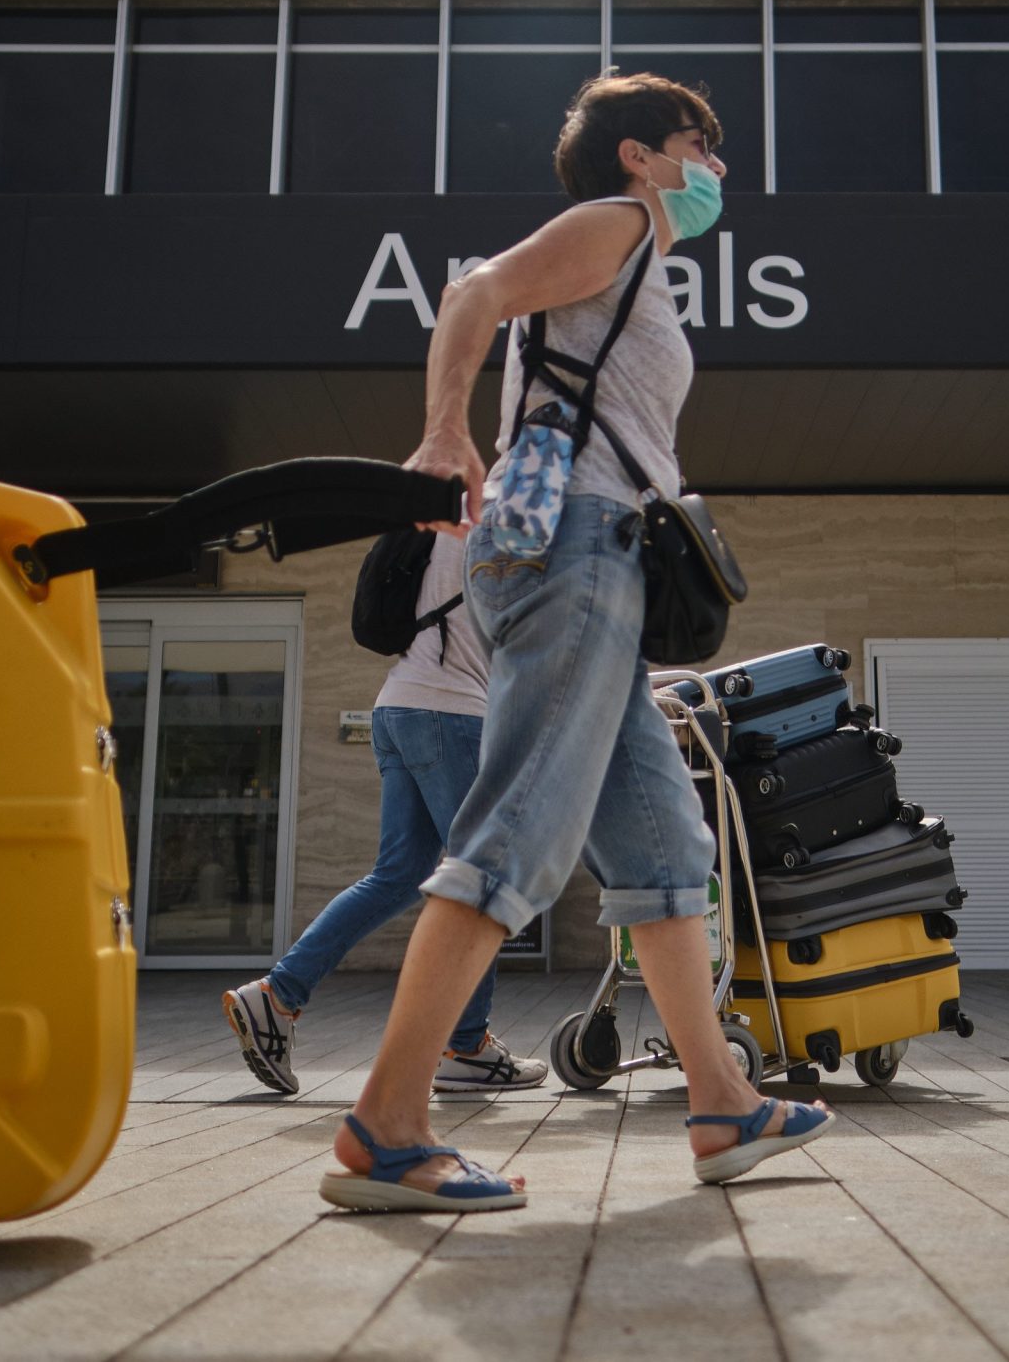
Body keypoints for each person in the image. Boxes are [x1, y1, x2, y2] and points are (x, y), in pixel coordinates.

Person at [318, 73, 832, 1215]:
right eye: (704, 144)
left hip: (589, 561)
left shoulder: (645, 260)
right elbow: (475, 292)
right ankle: (386, 1128)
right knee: (519, 830)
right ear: (641, 156)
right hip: (571, 554)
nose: (718, 168)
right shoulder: (615, 225)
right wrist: (444, 431)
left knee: (663, 844)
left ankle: (721, 1103)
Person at [222, 531, 546, 1097]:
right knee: (487, 878)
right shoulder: (498, 534)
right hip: (450, 715)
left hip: (398, 707)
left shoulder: (434, 535)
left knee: (398, 875)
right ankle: (467, 1047)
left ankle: (276, 997)